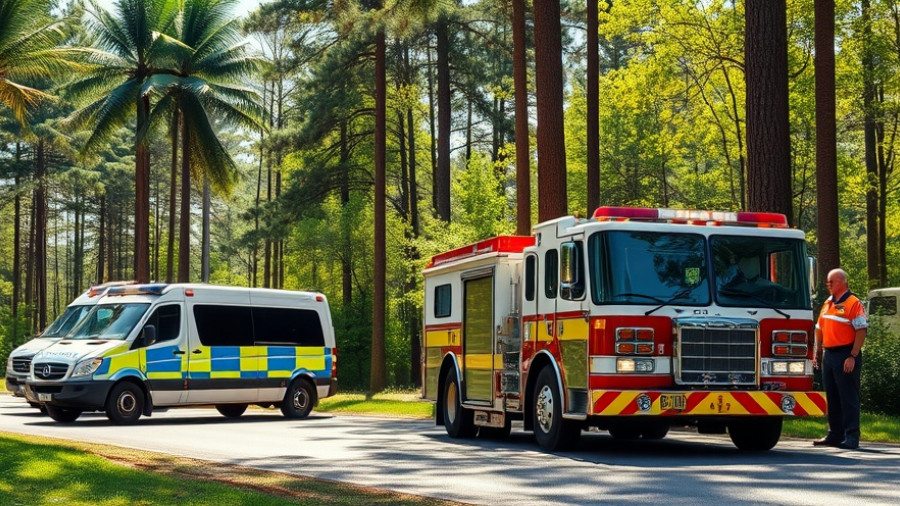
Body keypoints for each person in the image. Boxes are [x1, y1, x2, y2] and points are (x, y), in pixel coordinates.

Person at [812, 268, 867, 450]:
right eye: (828, 282)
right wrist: (817, 351)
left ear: (842, 282)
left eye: (831, 282)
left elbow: (861, 331)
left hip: (846, 354)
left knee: (848, 397)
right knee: (833, 396)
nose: (828, 285)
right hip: (829, 354)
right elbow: (819, 328)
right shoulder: (828, 303)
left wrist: (853, 355)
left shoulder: (853, 303)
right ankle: (835, 434)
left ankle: (852, 436)